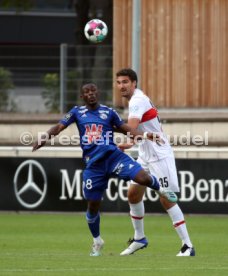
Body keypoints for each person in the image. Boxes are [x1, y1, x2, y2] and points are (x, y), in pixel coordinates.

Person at [32, 83, 177, 257]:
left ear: (97, 93)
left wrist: (146, 135)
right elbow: (59, 127)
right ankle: (97, 241)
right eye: (86, 92)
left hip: (113, 157)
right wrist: (44, 138)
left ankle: (162, 190)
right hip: (94, 166)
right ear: (82, 96)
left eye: (93, 91)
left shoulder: (109, 112)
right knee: (93, 206)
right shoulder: (77, 112)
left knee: (143, 178)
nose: (91, 94)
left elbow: (126, 129)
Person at [116, 68, 195, 257]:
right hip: (145, 154)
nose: (122, 86)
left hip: (160, 155)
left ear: (134, 83)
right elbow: (135, 130)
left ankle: (188, 246)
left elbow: (131, 127)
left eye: (125, 82)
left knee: (166, 199)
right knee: (133, 194)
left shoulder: (137, 100)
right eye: (119, 82)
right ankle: (139, 238)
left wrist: (126, 141)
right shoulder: (137, 100)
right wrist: (131, 141)